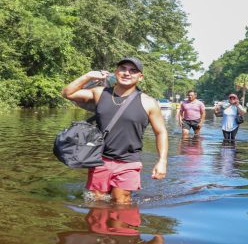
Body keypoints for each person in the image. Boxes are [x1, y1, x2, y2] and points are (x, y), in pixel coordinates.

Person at [61, 57, 168, 204]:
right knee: (96, 202)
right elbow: (67, 93)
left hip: (129, 162)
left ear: (140, 77)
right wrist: (88, 76)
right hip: (100, 160)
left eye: (133, 71)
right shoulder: (100, 93)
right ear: (115, 72)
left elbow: (161, 132)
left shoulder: (149, 102)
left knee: (121, 202)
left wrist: (162, 161)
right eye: (123, 69)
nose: (127, 73)